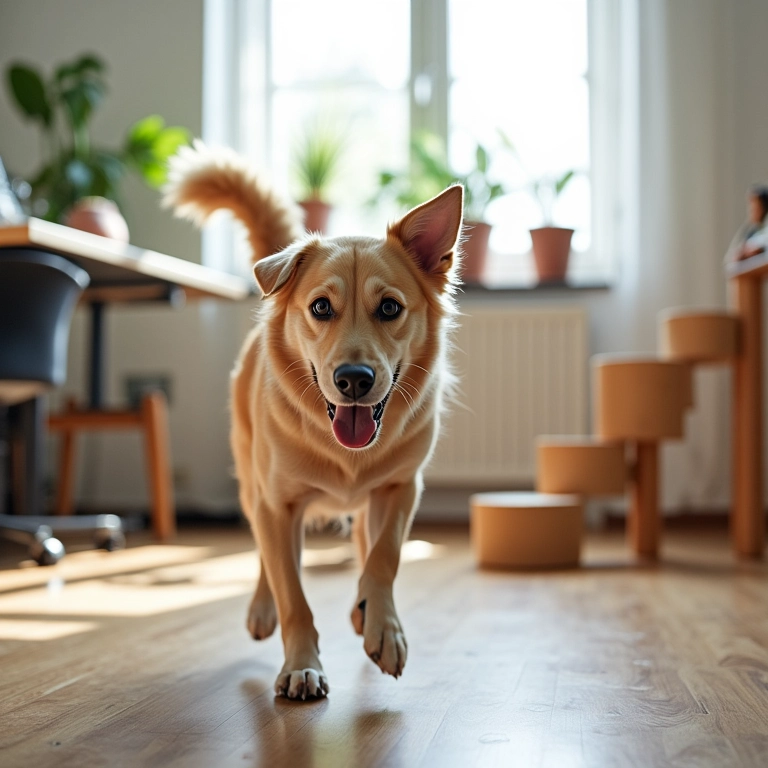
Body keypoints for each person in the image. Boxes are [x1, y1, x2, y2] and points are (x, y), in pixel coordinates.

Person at [727, 185, 768, 262]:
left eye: (756, 207)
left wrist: (759, 249)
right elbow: (732, 257)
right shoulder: (749, 231)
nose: (752, 210)